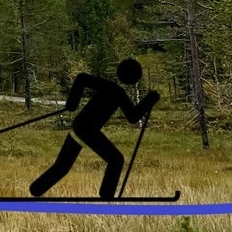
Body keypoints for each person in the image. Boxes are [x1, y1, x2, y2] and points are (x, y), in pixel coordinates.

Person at [28, 58, 160, 199]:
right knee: (116, 160)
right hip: (87, 130)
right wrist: (150, 100)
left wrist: (72, 104)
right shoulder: (117, 92)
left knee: (62, 167)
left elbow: (82, 79)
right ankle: (106, 195)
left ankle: (36, 190)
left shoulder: (111, 88)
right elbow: (133, 117)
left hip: (80, 126)